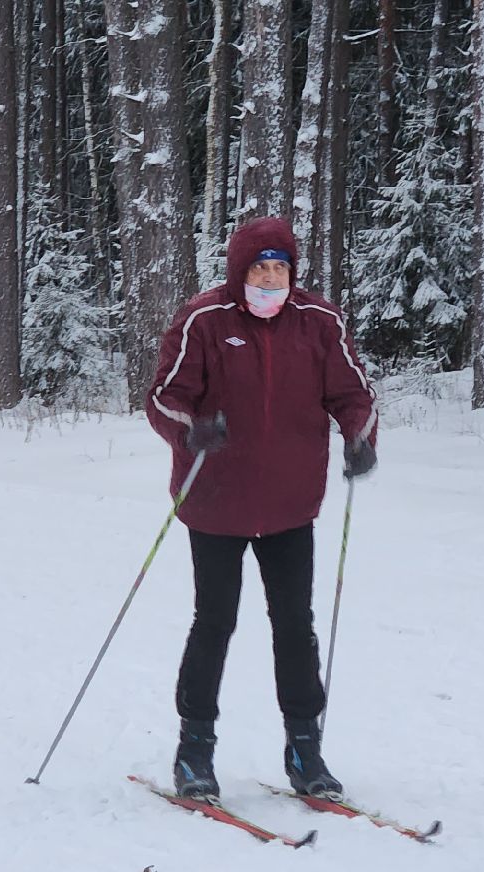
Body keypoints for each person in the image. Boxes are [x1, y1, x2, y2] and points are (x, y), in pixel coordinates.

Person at [145, 216, 379, 801]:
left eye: (281, 268)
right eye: (260, 268)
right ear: (239, 271)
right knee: (215, 621)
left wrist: (358, 437)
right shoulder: (204, 320)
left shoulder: (319, 322)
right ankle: (194, 751)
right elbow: (163, 398)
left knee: (295, 626)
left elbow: (352, 394)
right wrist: (191, 429)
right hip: (216, 501)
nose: (271, 279)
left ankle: (305, 751)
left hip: (290, 504)